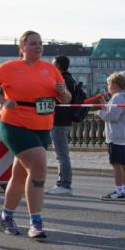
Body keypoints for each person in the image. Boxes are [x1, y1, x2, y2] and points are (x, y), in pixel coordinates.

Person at [0, 30, 72, 239]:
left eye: (40, 43)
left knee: (19, 176)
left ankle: (5, 216)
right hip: (15, 124)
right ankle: (36, 222)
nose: (38, 47)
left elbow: (67, 99)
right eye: (33, 43)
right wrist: (2, 101)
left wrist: (62, 92)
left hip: (43, 126)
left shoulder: (51, 69)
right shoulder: (9, 67)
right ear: (22, 47)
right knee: (39, 167)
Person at [45, 55, 79, 196]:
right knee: (61, 154)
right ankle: (63, 183)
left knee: (61, 155)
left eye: (53, 64)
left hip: (59, 120)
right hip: (65, 120)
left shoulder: (62, 80)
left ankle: (64, 184)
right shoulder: (71, 79)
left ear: (58, 66)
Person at [98, 72, 125, 202]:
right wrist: (105, 105)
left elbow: (112, 116)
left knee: (116, 164)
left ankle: (119, 192)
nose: (107, 86)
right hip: (123, 135)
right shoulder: (124, 97)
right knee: (124, 164)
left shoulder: (117, 97)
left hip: (115, 135)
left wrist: (99, 112)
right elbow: (114, 111)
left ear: (114, 84)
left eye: (108, 84)